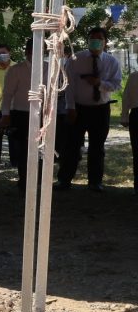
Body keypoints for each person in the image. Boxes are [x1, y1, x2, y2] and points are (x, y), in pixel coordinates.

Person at [57, 27, 122, 192]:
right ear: (87, 40)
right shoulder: (75, 59)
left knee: (97, 147)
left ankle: (95, 182)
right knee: (71, 146)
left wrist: (99, 83)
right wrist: (70, 107)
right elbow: (69, 85)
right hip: (78, 109)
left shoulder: (112, 62)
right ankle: (64, 180)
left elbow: (116, 85)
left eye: (99, 38)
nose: (95, 41)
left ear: (105, 42)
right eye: (92, 38)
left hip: (100, 110)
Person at [0, 42, 33, 191]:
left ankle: (37, 180)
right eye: (32, 51)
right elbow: (7, 94)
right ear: (27, 52)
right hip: (21, 114)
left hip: (43, 114)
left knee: (41, 149)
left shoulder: (48, 68)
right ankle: (24, 181)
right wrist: (5, 114)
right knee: (24, 149)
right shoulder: (16, 70)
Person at [120, 72, 138, 195]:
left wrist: (124, 116)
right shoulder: (134, 76)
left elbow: (126, 97)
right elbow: (126, 97)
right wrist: (124, 116)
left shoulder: (133, 76)